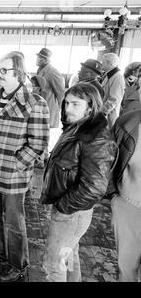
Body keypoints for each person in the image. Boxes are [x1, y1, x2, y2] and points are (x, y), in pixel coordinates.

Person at [0, 52, 50, 282]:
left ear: (19, 73)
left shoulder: (35, 103)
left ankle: (18, 264)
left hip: (12, 174)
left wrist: (16, 165)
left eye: (4, 71)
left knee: (14, 221)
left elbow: (38, 144)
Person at [41, 83, 117, 282]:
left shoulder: (96, 139)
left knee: (53, 264)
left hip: (72, 213)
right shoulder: (77, 128)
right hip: (71, 211)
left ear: (90, 107)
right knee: (68, 257)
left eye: (75, 104)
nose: (67, 109)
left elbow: (94, 188)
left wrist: (63, 206)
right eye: (66, 103)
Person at [107, 108, 141, 281]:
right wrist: (114, 195)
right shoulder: (127, 123)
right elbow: (108, 162)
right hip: (128, 205)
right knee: (127, 270)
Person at [36, 48, 65, 128]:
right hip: (39, 109)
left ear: (47, 60)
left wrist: (59, 110)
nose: (39, 59)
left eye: (42, 58)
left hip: (49, 110)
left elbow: (61, 94)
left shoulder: (53, 72)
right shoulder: (39, 70)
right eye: (39, 56)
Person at [101, 52, 125, 128]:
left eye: (103, 62)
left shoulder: (118, 77)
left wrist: (102, 112)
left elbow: (114, 99)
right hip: (104, 114)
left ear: (109, 63)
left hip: (108, 115)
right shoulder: (109, 75)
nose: (102, 64)